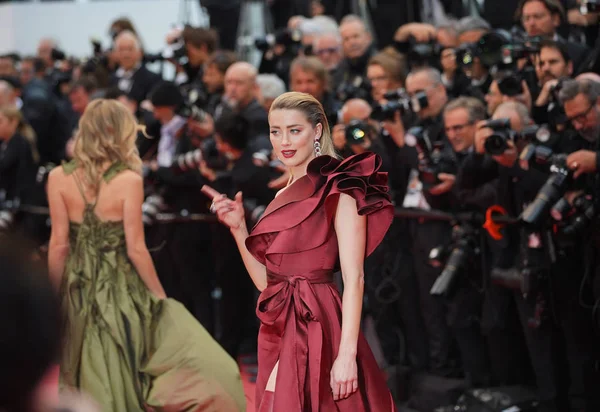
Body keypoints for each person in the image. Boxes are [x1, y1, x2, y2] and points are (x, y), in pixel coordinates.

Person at [46, 99, 245, 411]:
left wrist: (51, 296)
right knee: (126, 361)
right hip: (121, 287)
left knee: (83, 361)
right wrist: (161, 299)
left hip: (77, 284)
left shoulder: (58, 177)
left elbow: (59, 245)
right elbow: (136, 248)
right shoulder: (129, 179)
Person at [211, 91, 397, 411]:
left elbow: (355, 279)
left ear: (318, 131)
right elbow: (266, 284)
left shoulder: (341, 188)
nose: (283, 141)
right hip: (279, 325)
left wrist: (347, 355)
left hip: (320, 322)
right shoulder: (279, 195)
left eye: (294, 130)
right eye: (275, 131)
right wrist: (238, 227)